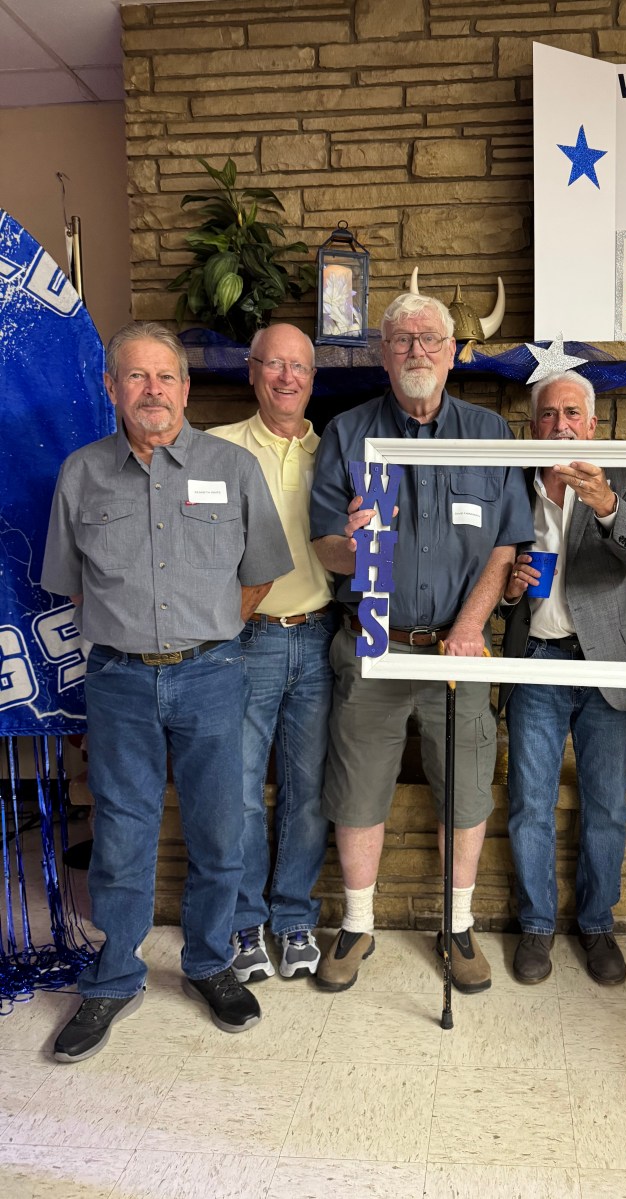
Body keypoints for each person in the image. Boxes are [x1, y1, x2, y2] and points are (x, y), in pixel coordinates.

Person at [41, 321, 293, 1062]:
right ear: (112, 387)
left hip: (213, 673)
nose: (152, 390)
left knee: (220, 829)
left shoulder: (233, 467)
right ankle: (116, 976)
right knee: (121, 834)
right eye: (136, 376)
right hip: (118, 680)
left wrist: (207, 633)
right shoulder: (81, 474)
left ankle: (210, 962)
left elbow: (261, 572)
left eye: (165, 376)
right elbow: (74, 587)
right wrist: (136, 638)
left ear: (185, 387)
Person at [309, 291, 532, 993]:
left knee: (464, 795)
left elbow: (505, 544)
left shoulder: (490, 434)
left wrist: (469, 627)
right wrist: (353, 546)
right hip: (371, 646)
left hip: (457, 653)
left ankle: (457, 926)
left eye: (430, 339)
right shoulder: (346, 433)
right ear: (383, 354)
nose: (417, 351)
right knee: (357, 792)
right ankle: (358, 923)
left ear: (452, 352)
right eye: (402, 340)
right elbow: (324, 544)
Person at [498, 372, 626, 985]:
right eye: (547, 414)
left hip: (607, 661)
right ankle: (536, 926)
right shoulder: (513, 482)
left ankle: (596, 924)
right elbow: (493, 573)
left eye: (571, 414)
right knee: (529, 802)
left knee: (606, 805)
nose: (559, 425)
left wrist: (607, 506)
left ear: (592, 424)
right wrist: (510, 591)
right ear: (533, 426)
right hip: (536, 658)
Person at [208, 324, 335, 984]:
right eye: (274, 364)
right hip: (246, 639)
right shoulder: (216, 447)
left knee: (306, 792)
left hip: (317, 636)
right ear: (252, 371)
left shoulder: (336, 451)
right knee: (239, 792)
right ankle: (244, 921)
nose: (287, 377)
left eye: (299, 367)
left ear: (313, 378)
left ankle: (293, 918)